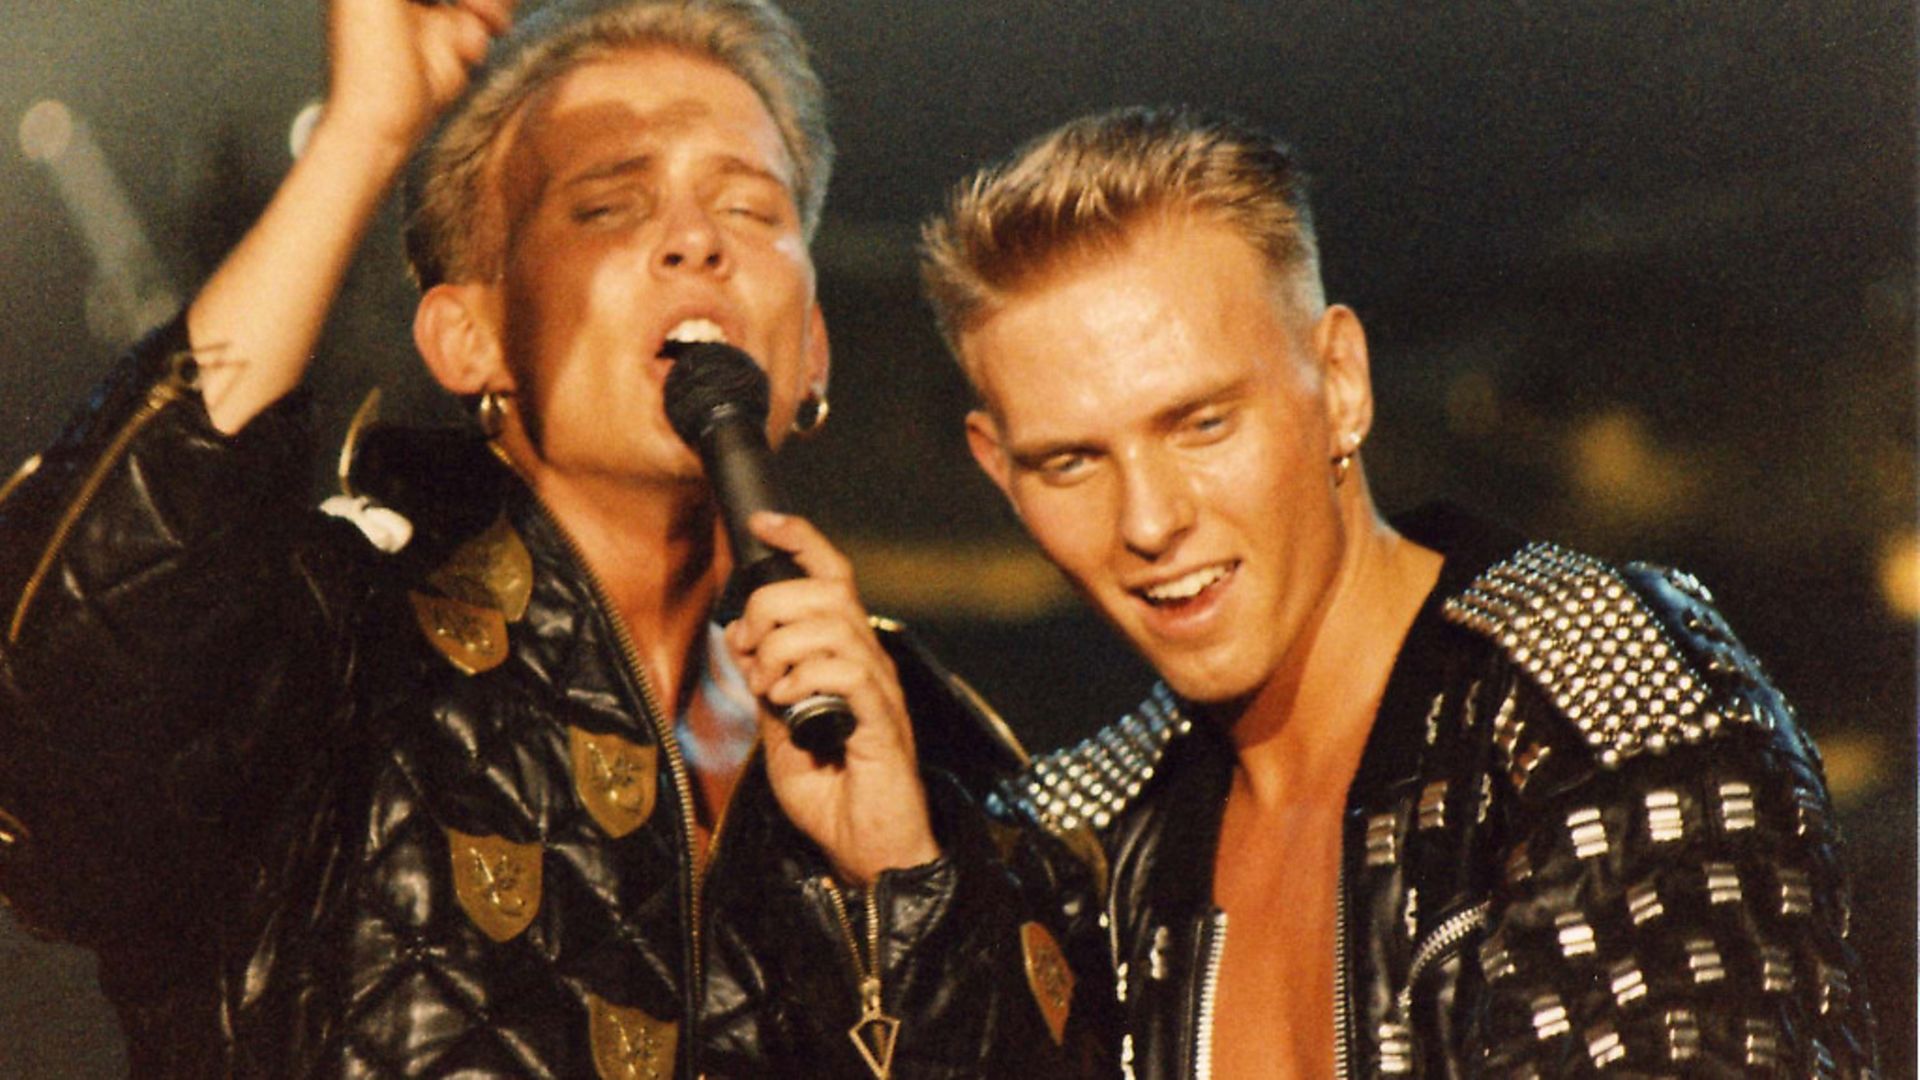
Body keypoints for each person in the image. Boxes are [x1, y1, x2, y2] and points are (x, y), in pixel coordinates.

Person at [0, 0, 1097, 1075]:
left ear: (811, 351)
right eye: (610, 207)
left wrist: (903, 886)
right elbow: (63, 697)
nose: (696, 242)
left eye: (753, 211)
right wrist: (365, 134)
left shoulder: (934, 747)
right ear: (469, 334)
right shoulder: (334, 636)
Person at [919, 106, 1878, 1077]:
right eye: (1071, 463)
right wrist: (900, 883)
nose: (1150, 521)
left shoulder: (1593, 696)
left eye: (1202, 424)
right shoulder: (1078, 838)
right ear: (1000, 473)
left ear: (1340, 381)